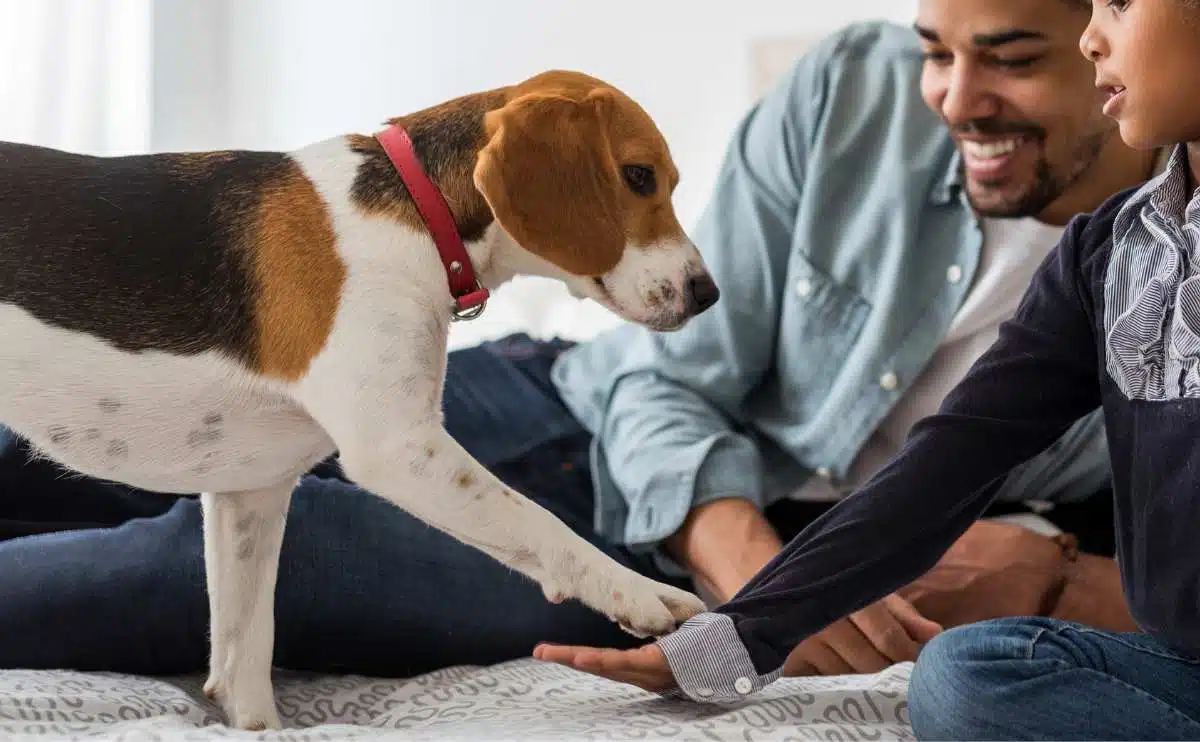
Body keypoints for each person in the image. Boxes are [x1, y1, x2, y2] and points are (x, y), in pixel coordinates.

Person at [0, 0, 1160, 678]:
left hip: (661, 557)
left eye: (1011, 57)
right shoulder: (852, 95)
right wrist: (749, 564)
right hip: (582, 402)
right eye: (936, 50)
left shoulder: (1161, 269)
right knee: (46, 445)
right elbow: (673, 373)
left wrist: (1059, 573)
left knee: (223, 560)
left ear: (1110, 43)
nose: (955, 99)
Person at [534, 0, 1200, 739]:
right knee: (963, 677)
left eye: (1120, 4)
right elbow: (945, 464)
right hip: (1178, 670)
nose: (1092, 39)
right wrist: (738, 637)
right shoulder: (1106, 252)